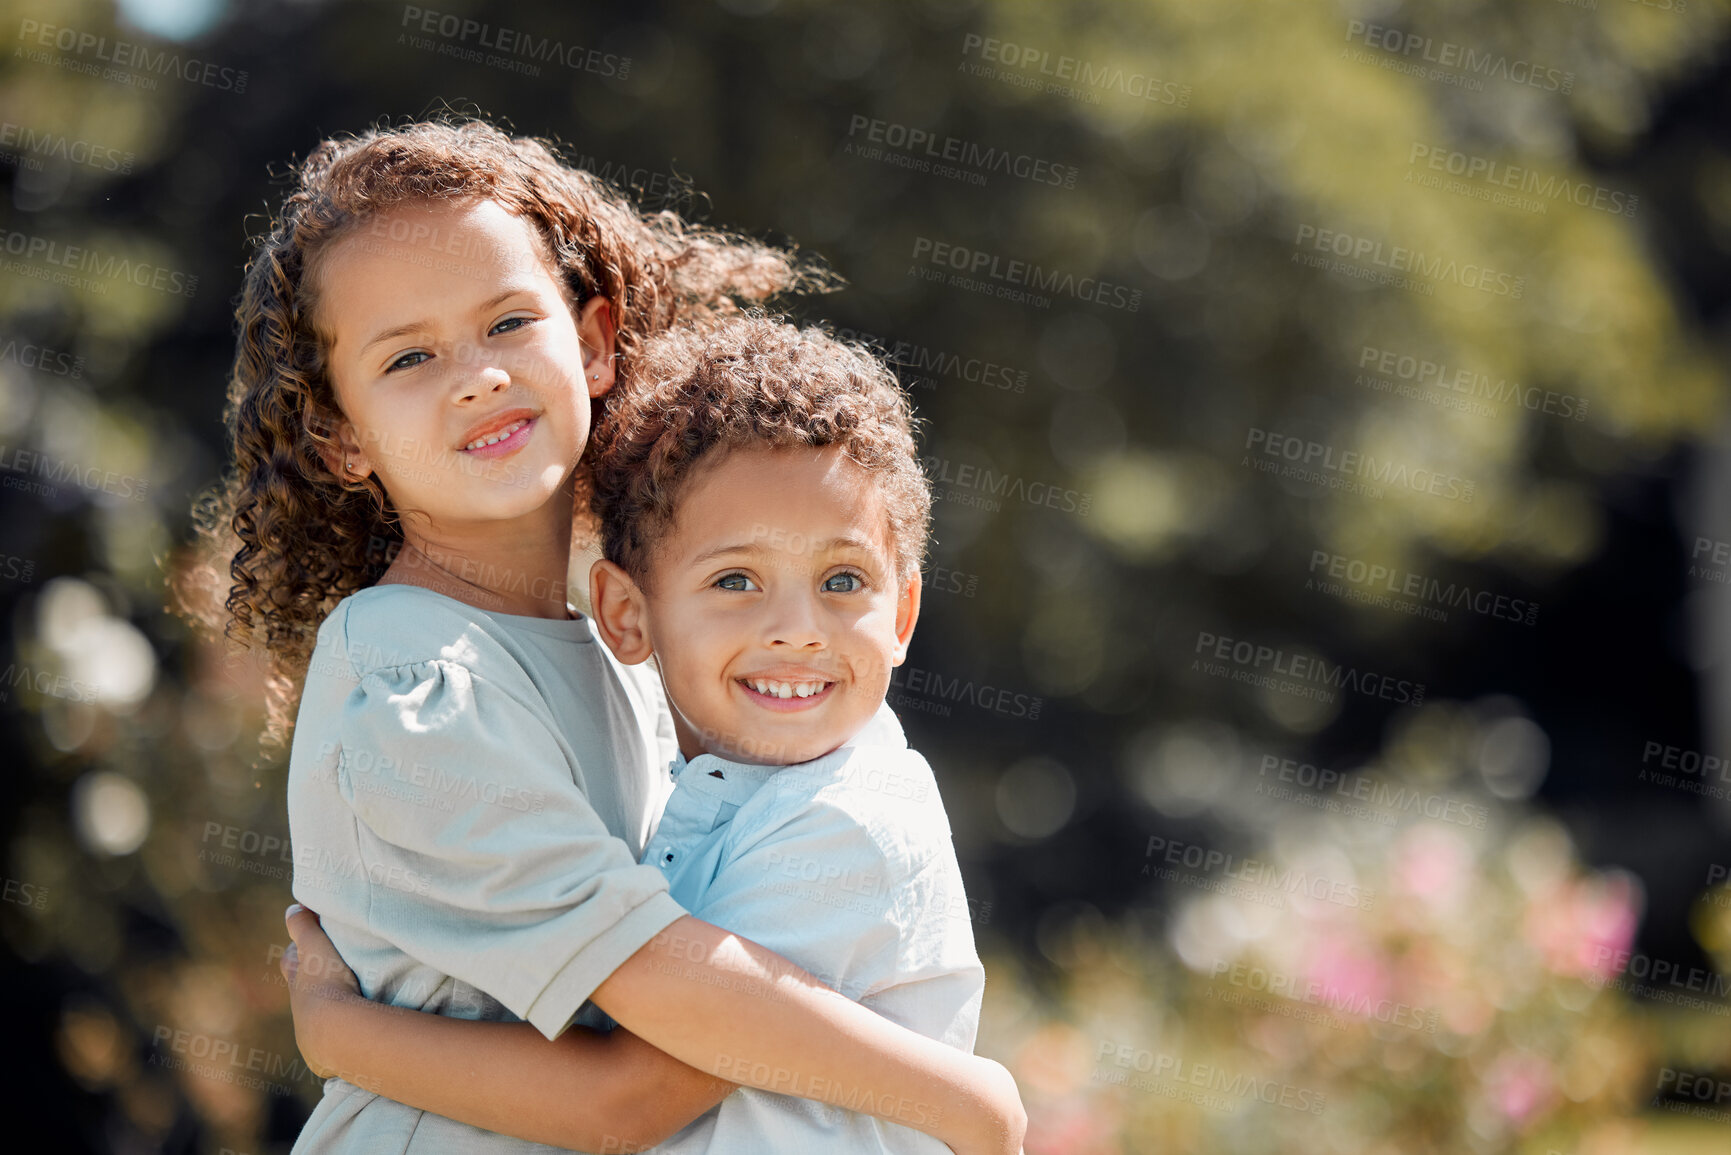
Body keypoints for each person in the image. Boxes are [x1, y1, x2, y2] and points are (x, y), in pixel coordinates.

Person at [185, 117, 1024, 1154]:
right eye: (409, 356)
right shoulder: (414, 678)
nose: (478, 376)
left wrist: (344, 1033)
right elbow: (626, 1094)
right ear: (343, 436)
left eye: (505, 324)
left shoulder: (619, 656)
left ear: (588, 341)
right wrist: (963, 1098)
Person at [283, 314, 990, 1154]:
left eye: (842, 578)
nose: (799, 629)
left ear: (902, 610)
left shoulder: (843, 828)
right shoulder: (722, 784)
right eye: (736, 579)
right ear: (625, 612)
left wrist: (335, 1034)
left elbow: (630, 1095)